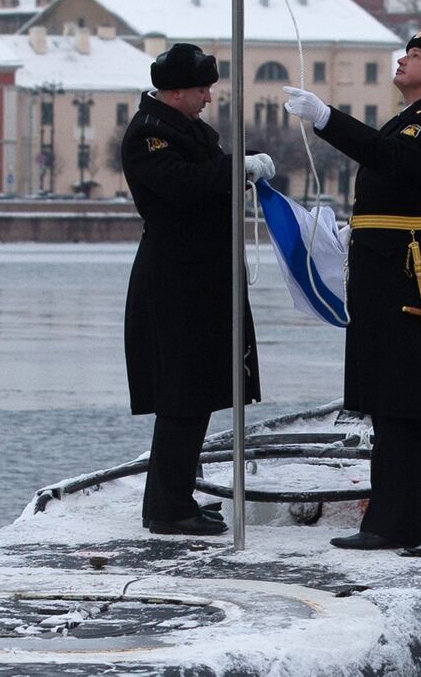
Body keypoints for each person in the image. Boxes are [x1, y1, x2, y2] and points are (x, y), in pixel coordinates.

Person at [284, 30, 421, 550]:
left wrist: (326, 119)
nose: (401, 60)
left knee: (398, 394)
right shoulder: (417, 118)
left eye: (413, 56)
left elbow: (390, 158)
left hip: (405, 271)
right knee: (416, 398)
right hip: (393, 263)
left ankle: (394, 522)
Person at [122, 42, 269, 536]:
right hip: (175, 279)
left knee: (201, 392)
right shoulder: (149, 134)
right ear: (177, 91)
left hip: (204, 276)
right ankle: (166, 508)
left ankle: (178, 496)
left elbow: (210, 180)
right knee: (180, 394)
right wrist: (237, 168)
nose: (209, 97)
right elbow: (183, 185)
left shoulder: (189, 130)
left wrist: (239, 173)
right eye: (202, 89)